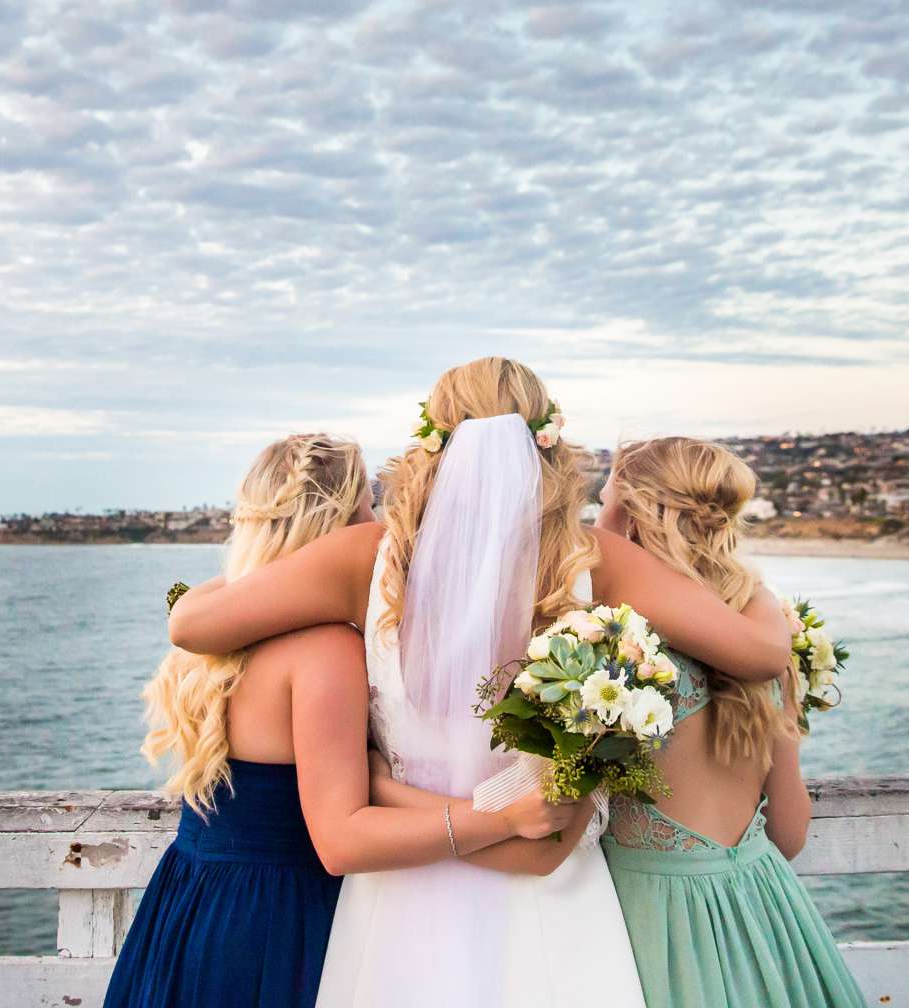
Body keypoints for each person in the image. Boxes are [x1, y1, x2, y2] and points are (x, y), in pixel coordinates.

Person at [167, 358, 792, 1006]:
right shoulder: (590, 562)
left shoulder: (366, 557)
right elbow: (760, 653)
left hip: (400, 884)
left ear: (432, 441)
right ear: (544, 441)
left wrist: (267, 560)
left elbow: (192, 624)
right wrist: (757, 590)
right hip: (549, 892)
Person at [106, 431, 574, 1008]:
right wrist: (501, 818)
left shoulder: (214, 648)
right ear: (340, 525)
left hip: (189, 902)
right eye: (368, 508)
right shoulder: (323, 649)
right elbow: (343, 837)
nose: (378, 524)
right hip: (277, 923)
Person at [594, 436, 867, 1008]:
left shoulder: (619, 647)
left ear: (636, 511)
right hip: (767, 909)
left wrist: (608, 519)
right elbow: (789, 835)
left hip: (654, 918)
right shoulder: (763, 630)